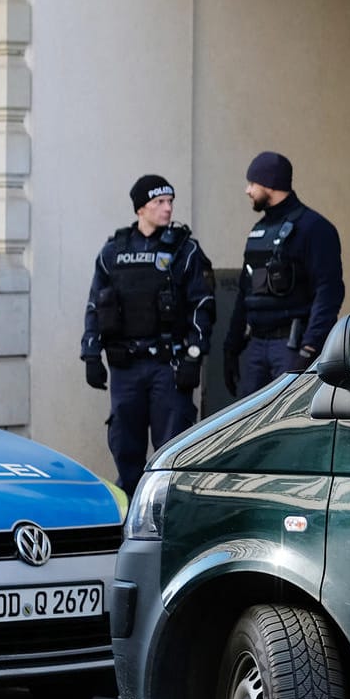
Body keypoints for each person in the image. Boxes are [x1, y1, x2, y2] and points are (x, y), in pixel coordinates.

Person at [82, 175, 215, 494]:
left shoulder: (185, 250)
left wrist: (194, 355)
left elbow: (203, 304)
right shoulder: (114, 251)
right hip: (125, 367)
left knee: (173, 448)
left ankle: (168, 512)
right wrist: (90, 352)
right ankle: (130, 514)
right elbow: (96, 304)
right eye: (159, 202)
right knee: (125, 445)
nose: (168, 208)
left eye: (170, 202)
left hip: (167, 367)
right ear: (141, 208)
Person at [223, 151, 344, 398]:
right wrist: (231, 348)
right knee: (248, 426)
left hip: (291, 346)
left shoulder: (314, 228)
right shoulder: (259, 231)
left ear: (270, 184)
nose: (247, 190)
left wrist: (309, 348)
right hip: (256, 347)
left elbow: (328, 292)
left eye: (252, 184)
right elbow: (245, 293)